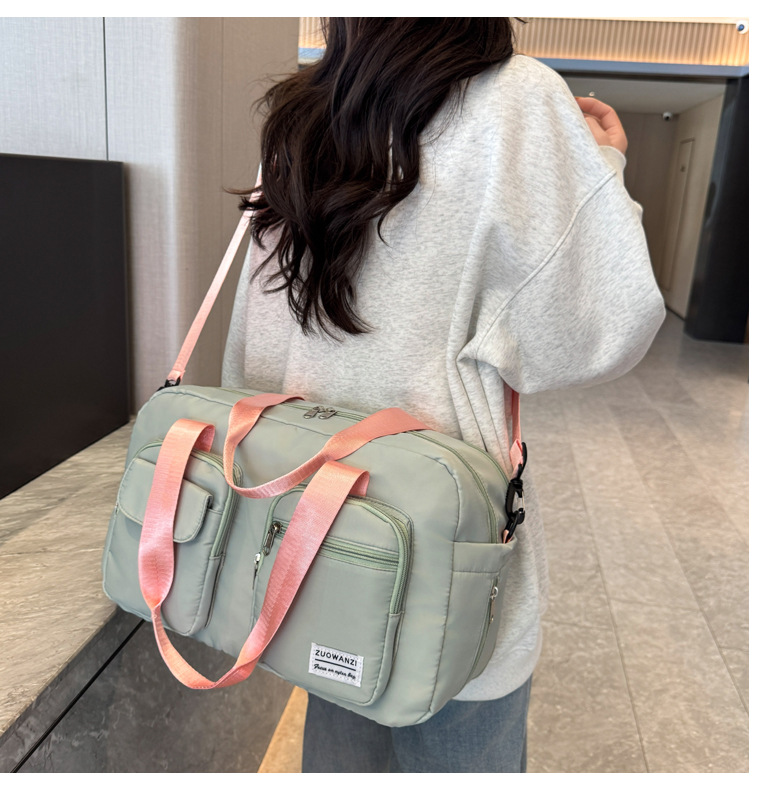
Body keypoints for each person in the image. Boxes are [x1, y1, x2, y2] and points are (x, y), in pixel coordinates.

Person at [222, 18, 665, 773]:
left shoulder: (303, 111)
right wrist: (603, 168)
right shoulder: (517, 98)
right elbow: (599, 329)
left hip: (313, 526)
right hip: (443, 549)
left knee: (340, 721)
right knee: (461, 733)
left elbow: (255, 351)